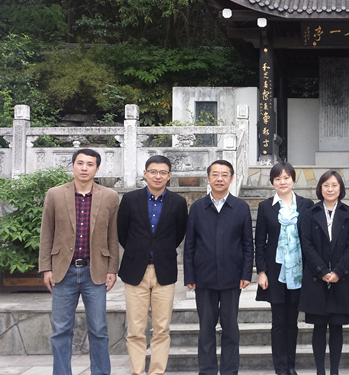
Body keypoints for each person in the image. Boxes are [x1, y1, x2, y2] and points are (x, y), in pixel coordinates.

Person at [38, 148, 120, 375]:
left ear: (97, 168)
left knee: (99, 329)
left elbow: (113, 235)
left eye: (90, 164)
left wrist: (112, 268)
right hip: (63, 271)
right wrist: (46, 268)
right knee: (61, 330)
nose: (85, 168)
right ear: (73, 165)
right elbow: (47, 233)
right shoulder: (55, 194)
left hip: (95, 271)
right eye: (80, 163)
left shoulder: (110, 196)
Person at [117, 155, 189, 375]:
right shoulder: (130, 199)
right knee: (135, 329)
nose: (158, 176)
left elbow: (179, 234)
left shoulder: (178, 202)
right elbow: (122, 232)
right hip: (135, 271)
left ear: (169, 175)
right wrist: (138, 252)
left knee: (161, 329)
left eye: (163, 172)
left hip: (163, 271)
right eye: (153, 171)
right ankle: (137, 372)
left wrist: (160, 251)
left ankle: (157, 371)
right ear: (145, 174)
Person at [184, 159, 253, 375]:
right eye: (215, 174)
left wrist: (246, 273)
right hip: (204, 278)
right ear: (208, 178)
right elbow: (190, 244)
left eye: (224, 175)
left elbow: (247, 244)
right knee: (206, 329)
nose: (219, 178)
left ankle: (230, 371)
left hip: (232, 278)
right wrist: (189, 275)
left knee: (230, 328)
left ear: (231, 179)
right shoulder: (197, 207)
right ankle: (207, 370)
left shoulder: (240, 207)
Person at [298, 170, 349, 375]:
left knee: (336, 327)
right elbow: (306, 244)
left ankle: (334, 371)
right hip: (316, 278)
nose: (330, 189)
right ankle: (320, 371)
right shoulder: (310, 212)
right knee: (318, 327)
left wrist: (338, 271)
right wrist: (322, 270)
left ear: (340, 188)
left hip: (341, 278)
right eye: (326, 185)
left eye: (334, 185)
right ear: (320, 188)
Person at [254, 162, 314, 375]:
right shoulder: (265, 207)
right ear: (272, 182)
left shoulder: (306, 205)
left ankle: (290, 365)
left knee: (292, 321)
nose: (282, 182)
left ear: (293, 180)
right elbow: (260, 242)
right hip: (275, 272)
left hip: (298, 271)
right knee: (278, 321)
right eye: (278, 178)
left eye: (286, 177)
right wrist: (261, 272)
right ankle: (280, 368)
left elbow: (311, 239)